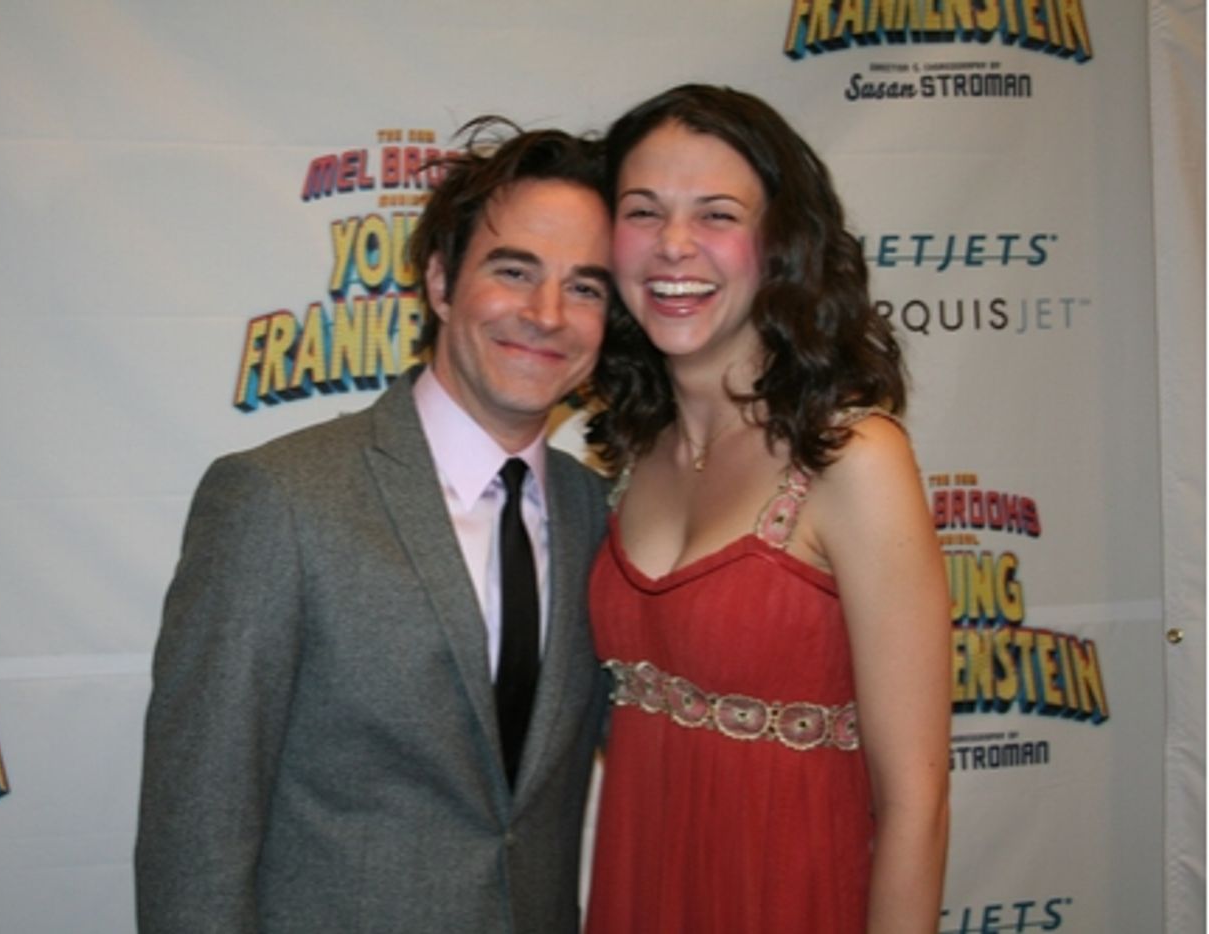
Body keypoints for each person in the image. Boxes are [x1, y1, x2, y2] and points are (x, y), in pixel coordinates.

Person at [135, 120, 615, 934]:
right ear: (441, 281)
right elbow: (197, 837)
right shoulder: (278, 500)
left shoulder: (601, 516)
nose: (547, 314)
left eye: (586, 288)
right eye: (514, 271)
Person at [583, 84, 950, 933]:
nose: (674, 245)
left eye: (717, 214)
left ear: (782, 243)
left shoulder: (853, 458)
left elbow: (916, 804)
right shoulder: (636, 451)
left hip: (790, 895)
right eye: (643, 211)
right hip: (642, 890)